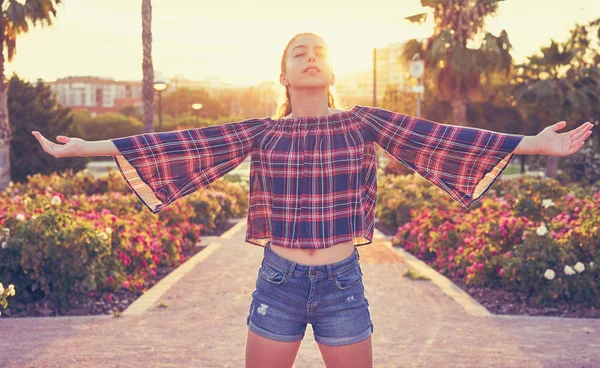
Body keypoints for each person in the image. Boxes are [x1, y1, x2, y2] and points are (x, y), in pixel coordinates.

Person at [33, 32, 594, 368]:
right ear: (282, 72)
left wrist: (534, 143)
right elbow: (179, 144)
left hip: (343, 285)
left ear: (330, 70)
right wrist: (84, 146)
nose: (309, 58)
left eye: (318, 52)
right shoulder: (262, 132)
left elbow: (440, 139)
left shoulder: (363, 123)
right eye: (298, 52)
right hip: (277, 283)